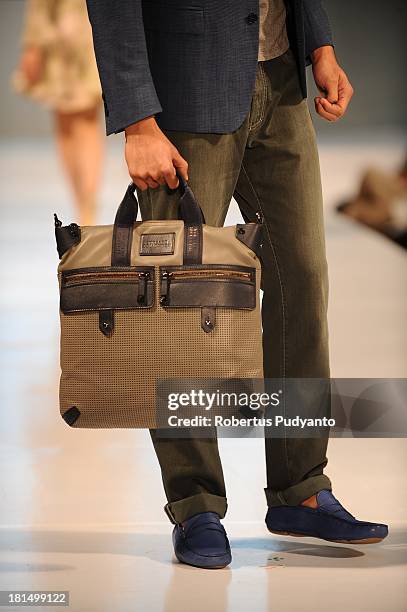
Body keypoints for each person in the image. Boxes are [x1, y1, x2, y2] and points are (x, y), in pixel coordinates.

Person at [85, 0, 389, 568]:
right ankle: (196, 501)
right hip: (184, 92)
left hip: (282, 85)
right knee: (177, 301)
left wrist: (319, 43)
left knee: (303, 282)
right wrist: (137, 120)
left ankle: (301, 488)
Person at [13, 0, 104, 225]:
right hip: (66, 34)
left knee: (84, 122)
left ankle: (86, 208)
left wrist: (32, 43)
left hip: (78, 30)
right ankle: (83, 206)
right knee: (70, 124)